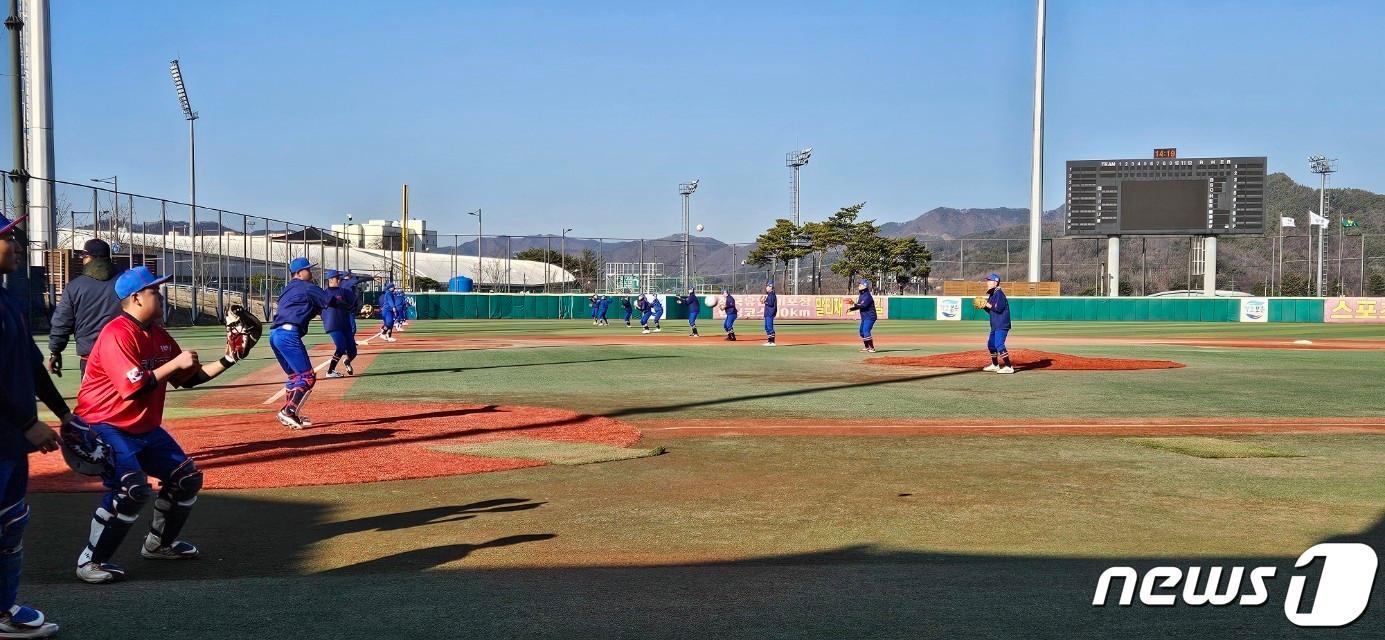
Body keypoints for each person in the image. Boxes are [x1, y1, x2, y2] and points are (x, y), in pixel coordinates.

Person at [71, 265, 246, 585]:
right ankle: (91, 560)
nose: (161, 295)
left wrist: (230, 358)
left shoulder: (158, 335)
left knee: (186, 478)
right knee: (131, 488)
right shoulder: (117, 333)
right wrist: (175, 364)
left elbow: (189, 378)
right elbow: (133, 387)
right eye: (155, 290)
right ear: (136, 298)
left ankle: (159, 544)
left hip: (142, 427)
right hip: (103, 423)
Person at [0, 212, 66, 636]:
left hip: (10, 442)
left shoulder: (8, 301)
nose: (19, 245)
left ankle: (4, 611)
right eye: (9, 237)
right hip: (8, 434)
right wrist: (28, 422)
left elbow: (34, 367)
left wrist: (65, 415)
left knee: (10, 524)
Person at [269, 258, 351, 428]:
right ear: (299, 273)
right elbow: (331, 301)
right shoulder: (308, 287)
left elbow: (306, 306)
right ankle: (288, 411)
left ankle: (291, 414)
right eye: (307, 270)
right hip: (288, 334)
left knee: (294, 377)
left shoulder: (287, 289)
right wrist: (349, 306)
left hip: (274, 334)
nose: (311, 273)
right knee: (307, 377)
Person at [48, 238, 123, 380]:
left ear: (88, 257)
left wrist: (55, 351)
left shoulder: (75, 287)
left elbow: (62, 323)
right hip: (125, 354)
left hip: (91, 358)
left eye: (83, 257)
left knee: (93, 400)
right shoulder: (125, 282)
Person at [323, 270, 370, 378]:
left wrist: (361, 309)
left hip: (345, 324)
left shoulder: (344, 291)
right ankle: (330, 371)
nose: (339, 280)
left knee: (353, 351)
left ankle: (347, 361)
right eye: (337, 278)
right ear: (330, 280)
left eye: (339, 278)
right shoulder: (324, 294)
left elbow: (354, 304)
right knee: (341, 346)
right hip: (333, 324)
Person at [981, 273, 1013, 374]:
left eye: (989, 281)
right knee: (991, 345)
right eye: (987, 280)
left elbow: (998, 309)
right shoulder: (992, 294)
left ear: (995, 282)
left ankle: (1009, 366)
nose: (987, 282)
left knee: (999, 344)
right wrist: (984, 306)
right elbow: (991, 310)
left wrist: (987, 304)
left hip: (1002, 324)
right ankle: (995, 365)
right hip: (995, 324)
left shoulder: (999, 294)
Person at [848, 279, 877, 353]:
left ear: (865, 286)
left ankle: (872, 348)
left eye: (860, 284)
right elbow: (859, 306)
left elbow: (863, 305)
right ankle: (867, 347)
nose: (859, 286)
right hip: (865, 317)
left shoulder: (867, 295)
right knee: (861, 332)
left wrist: (853, 303)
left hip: (870, 316)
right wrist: (852, 309)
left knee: (866, 331)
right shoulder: (862, 295)